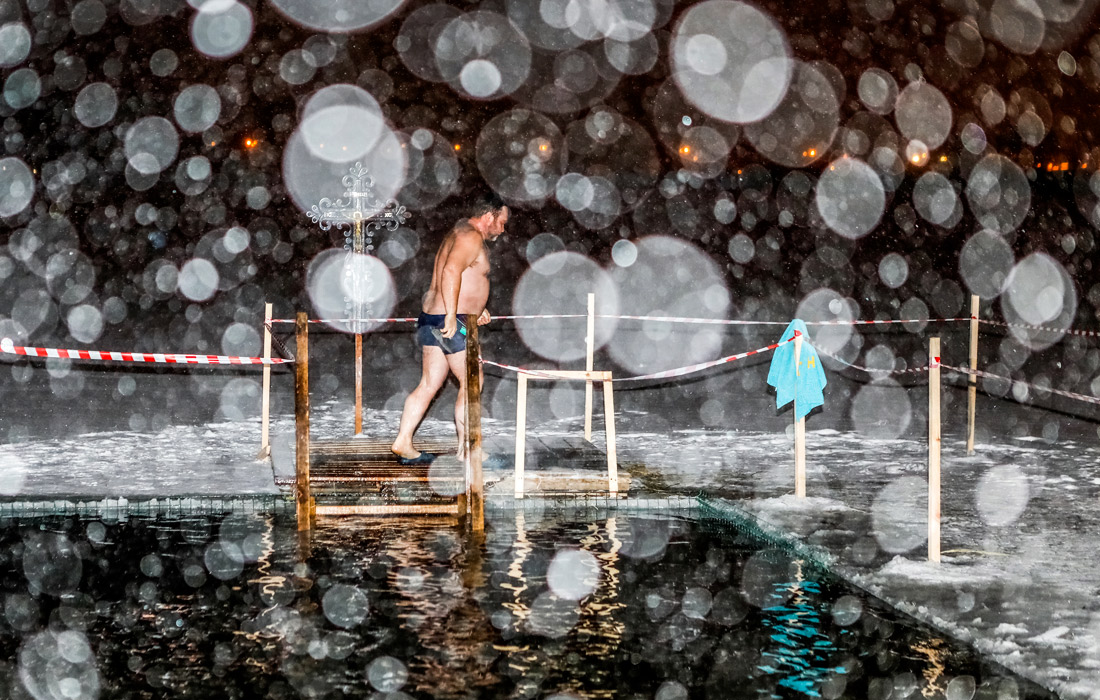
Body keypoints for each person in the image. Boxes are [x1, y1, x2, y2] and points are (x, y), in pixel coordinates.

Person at [390, 195, 510, 465]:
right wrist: (454, 316)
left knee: (430, 383)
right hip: (449, 321)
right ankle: (469, 450)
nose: (502, 229)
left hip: (433, 318)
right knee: (472, 381)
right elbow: (451, 272)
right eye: (501, 222)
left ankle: (403, 441)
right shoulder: (471, 237)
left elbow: (461, 275)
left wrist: (476, 308)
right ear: (488, 217)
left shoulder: (458, 232)